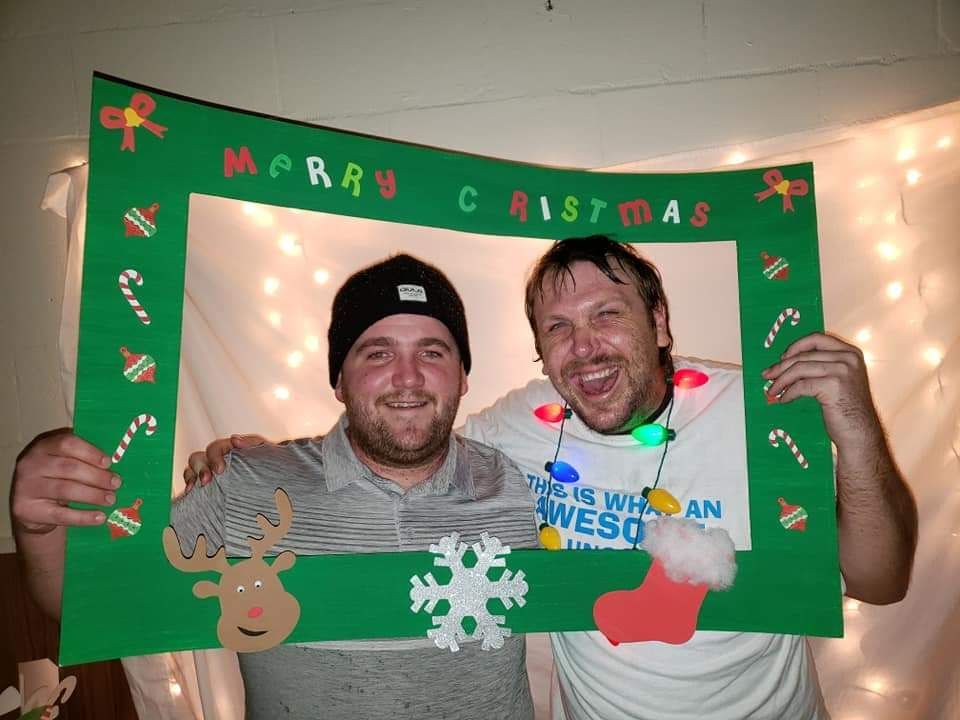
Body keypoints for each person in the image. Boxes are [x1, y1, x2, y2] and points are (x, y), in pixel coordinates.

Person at [185, 235, 919, 720]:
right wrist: (253, 459)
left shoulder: (759, 413)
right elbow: (408, 438)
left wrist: (855, 425)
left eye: (607, 313)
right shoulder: (518, 431)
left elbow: (880, 581)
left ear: (659, 320)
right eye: (558, 330)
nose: (585, 347)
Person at [11, 254, 540, 719]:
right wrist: (37, 525)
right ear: (338, 379)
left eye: (432, 352)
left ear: (463, 376)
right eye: (377, 353)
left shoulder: (515, 482)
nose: (407, 377)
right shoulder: (245, 484)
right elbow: (91, 602)